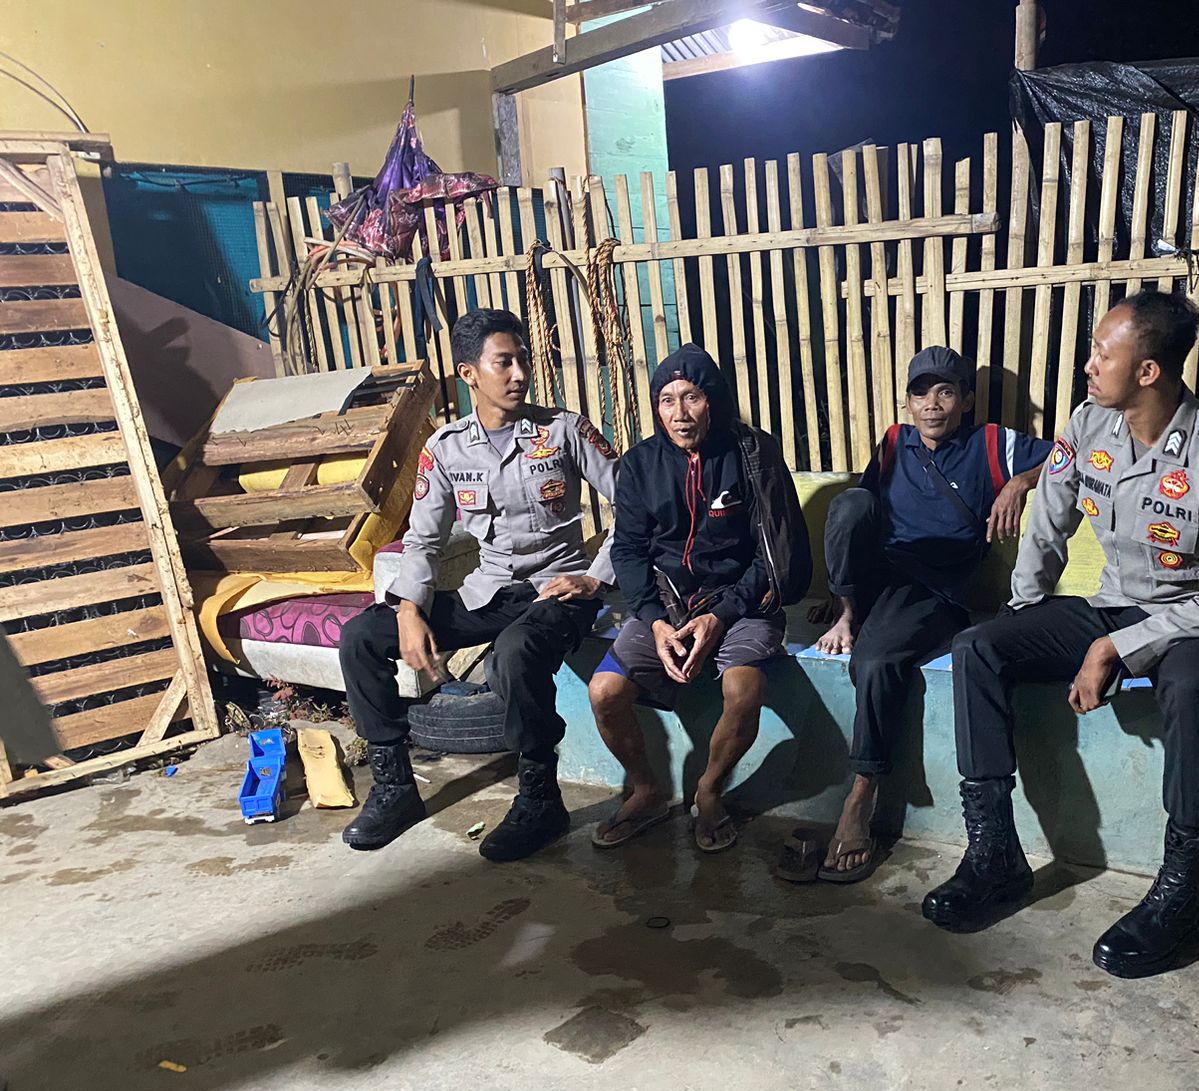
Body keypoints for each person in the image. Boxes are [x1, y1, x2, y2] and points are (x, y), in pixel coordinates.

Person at [924, 290, 1199, 980]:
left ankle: (1183, 893)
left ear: (1148, 371)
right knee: (979, 647)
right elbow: (1048, 523)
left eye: (1102, 354)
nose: (1088, 366)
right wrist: (1024, 613)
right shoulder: (1088, 425)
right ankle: (995, 854)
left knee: (1193, 685)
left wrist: (1113, 650)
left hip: (1197, 622)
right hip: (1111, 605)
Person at [338, 308, 619, 861]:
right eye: (503, 362)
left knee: (513, 654)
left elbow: (634, 506)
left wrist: (595, 577)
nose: (520, 374)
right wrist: (408, 610)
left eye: (523, 360)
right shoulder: (446, 449)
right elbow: (423, 541)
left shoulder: (564, 430)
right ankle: (395, 789)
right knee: (362, 636)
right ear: (469, 374)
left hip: (558, 590)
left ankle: (542, 800)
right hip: (487, 592)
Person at [797, 346, 1047, 883]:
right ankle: (848, 615)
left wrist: (1019, 482)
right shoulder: (894, 441)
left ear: (965, 400)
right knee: (850, 503)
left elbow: (1071, 455)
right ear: (908, 402)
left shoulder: (990, 443)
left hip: (933, 588)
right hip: (880, 576)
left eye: (945, 392)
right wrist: (845, 594)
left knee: (875, 661)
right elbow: (857, 519)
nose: (931, 404)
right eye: (920, 393)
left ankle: (861, 794)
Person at [588, 344, 810, 853]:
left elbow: (773, 552)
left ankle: (709, 791)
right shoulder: (640, 464)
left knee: (744, 691)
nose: (680, 413)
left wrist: (721, 616)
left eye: (692, 397)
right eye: (667, 400)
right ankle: (647, 791)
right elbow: (629, 550)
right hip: (667, 603)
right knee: (604, 692)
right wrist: (653, 620)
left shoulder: (752, 455)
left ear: (713, 400)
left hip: (743, 599)